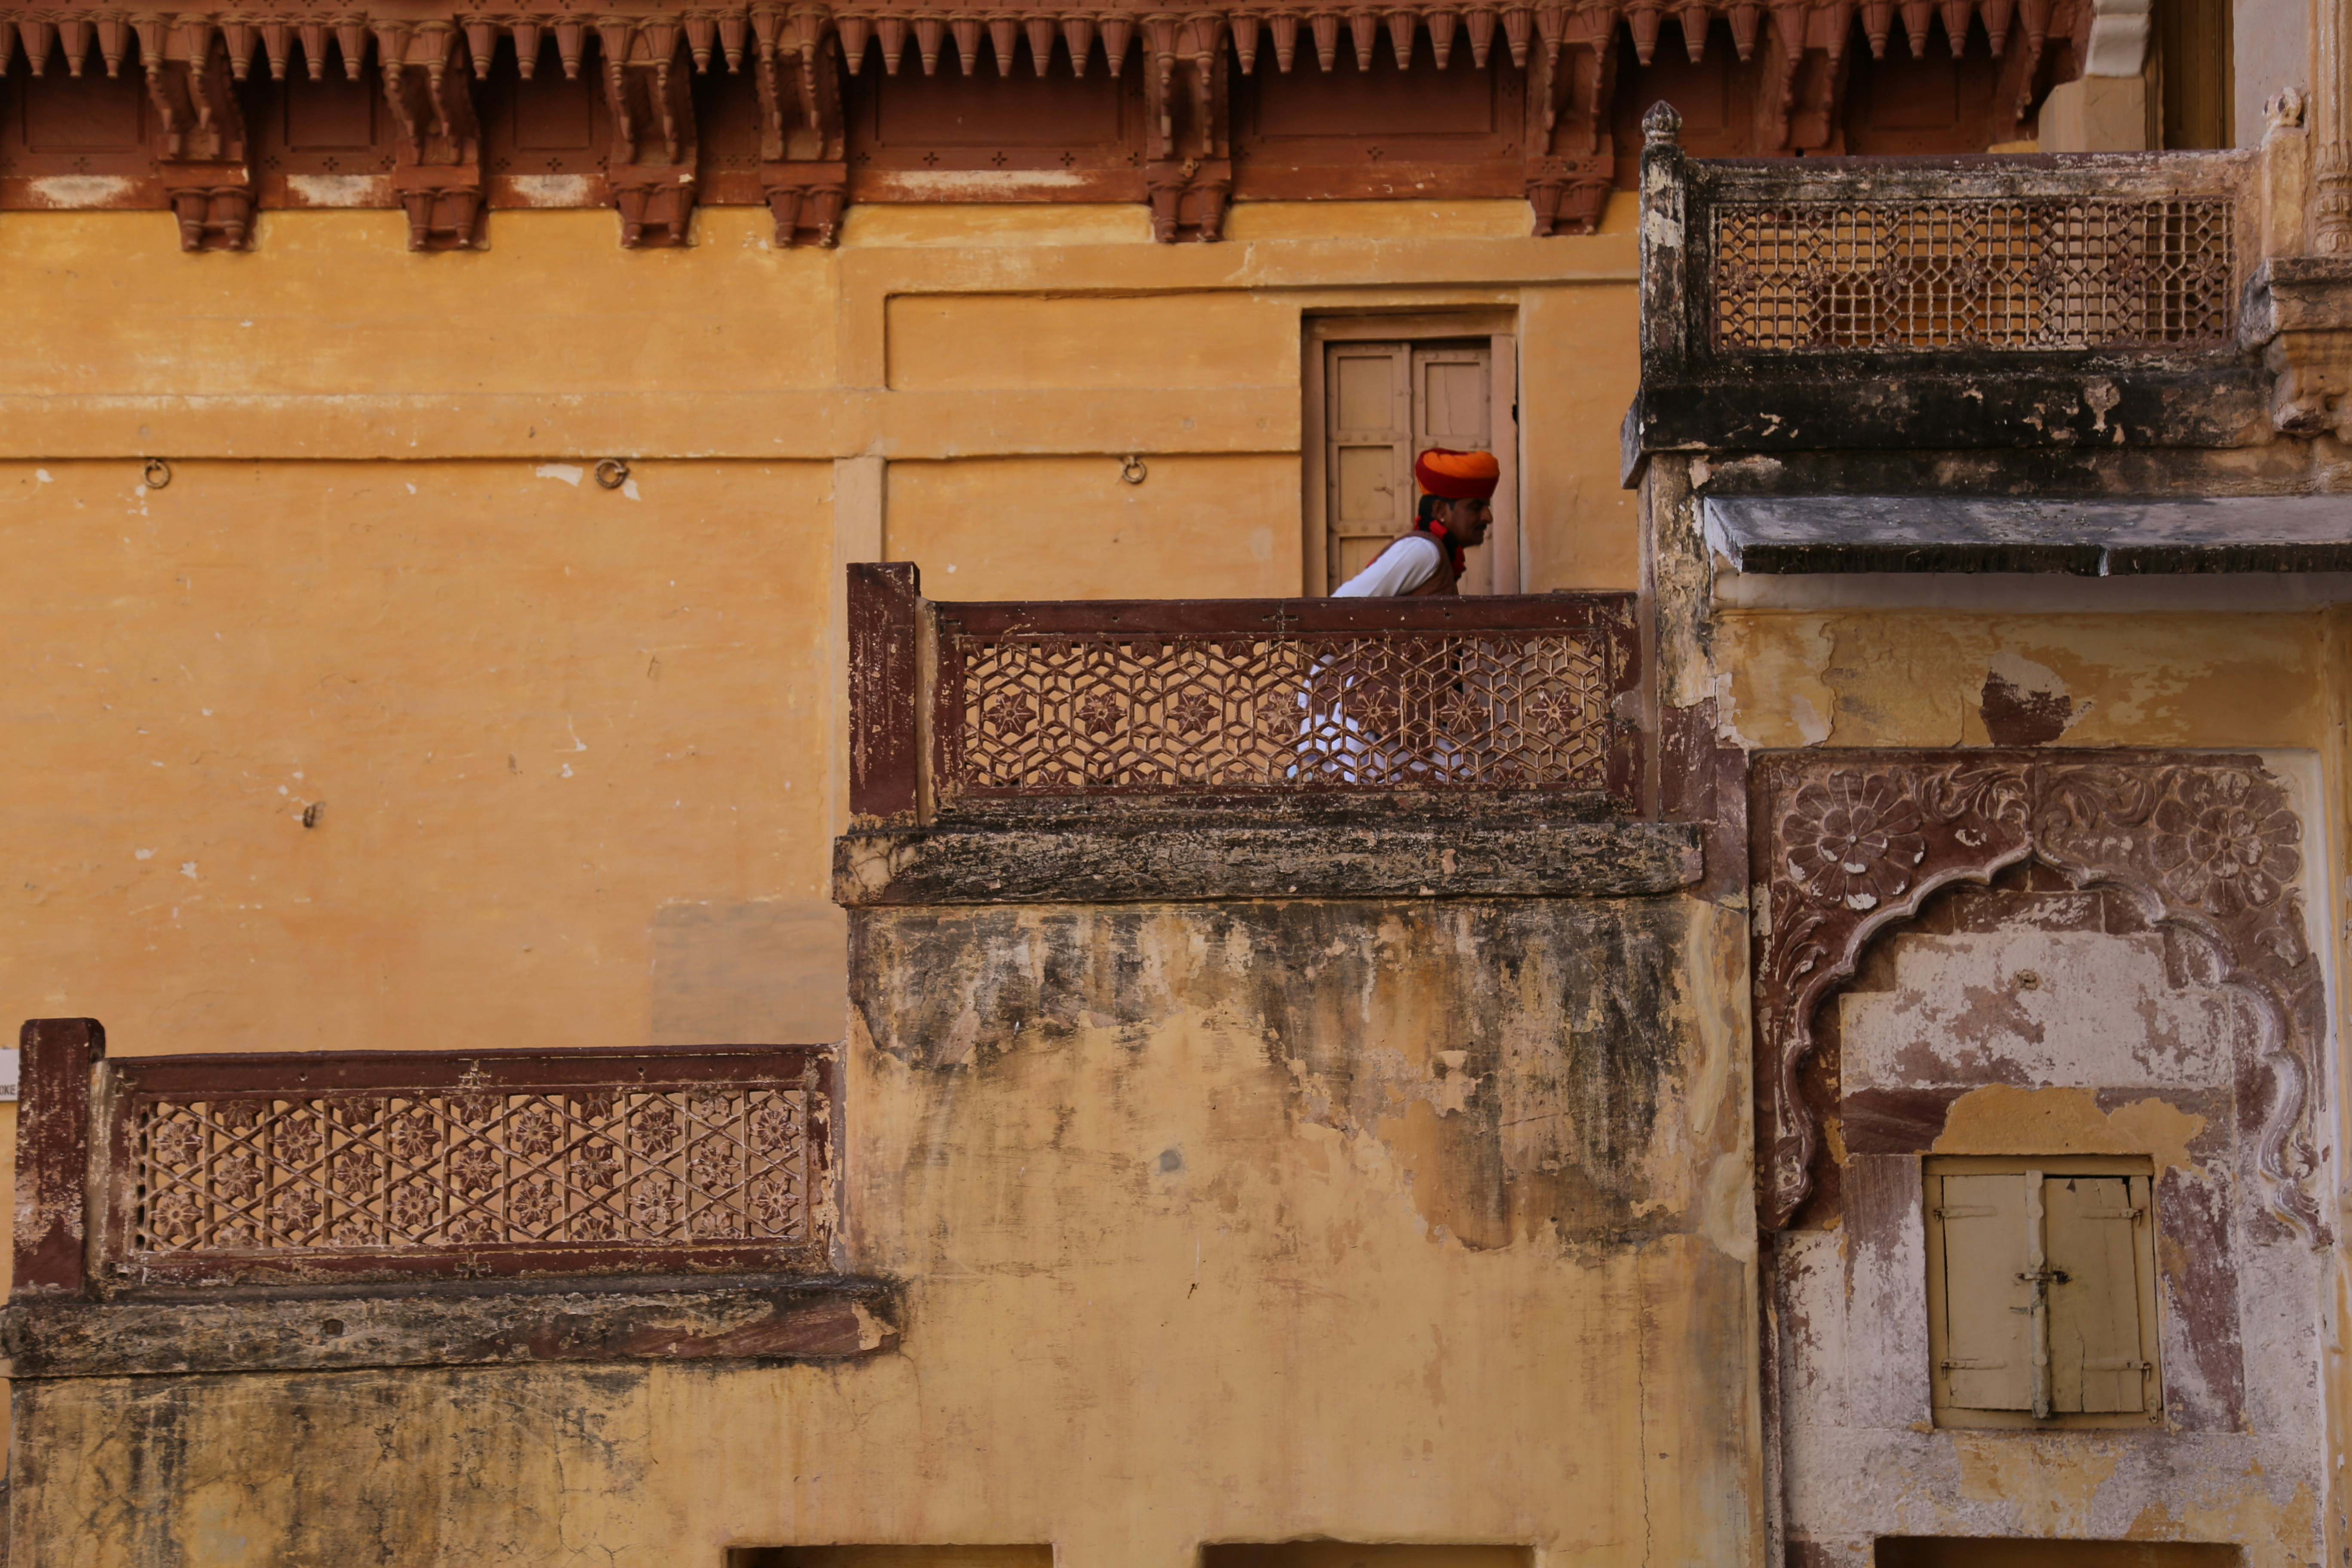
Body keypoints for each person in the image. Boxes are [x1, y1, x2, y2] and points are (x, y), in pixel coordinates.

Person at [1331, 447, 1499, 597]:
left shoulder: (1438, 553)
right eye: (1476, 507)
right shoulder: (1424, 551)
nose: (1488, 517)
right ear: (1441, 511)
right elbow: (1340, 606)